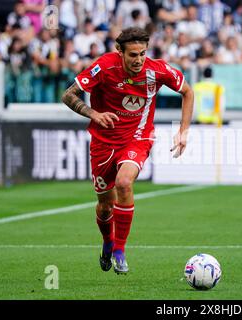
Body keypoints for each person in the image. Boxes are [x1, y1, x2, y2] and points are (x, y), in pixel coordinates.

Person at [61, 27, 194, 274]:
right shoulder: (104, 67)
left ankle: (120, 251)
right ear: (119, 51)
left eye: (143, 53)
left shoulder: (156, 70)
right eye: (133, 54)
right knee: (104, 206)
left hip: (137, 137)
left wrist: (183, 131)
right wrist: (94, 114)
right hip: (102, 142)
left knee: (124, 183)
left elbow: (187, 91)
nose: (139, 60)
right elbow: (68, 95)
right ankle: (108, 241)